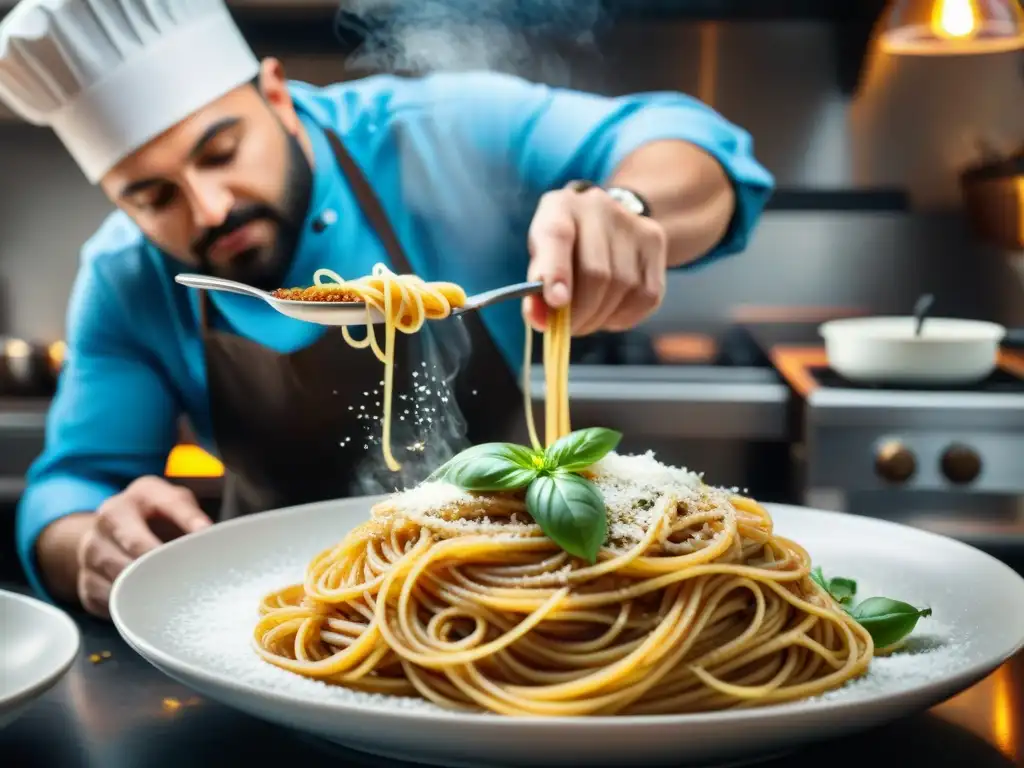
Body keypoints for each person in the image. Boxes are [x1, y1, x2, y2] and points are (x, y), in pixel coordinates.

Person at [0, 0, 774, 619]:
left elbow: (698, 148)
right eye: (153, 196)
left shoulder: (439, 134)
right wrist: (90, 544)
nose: (208, 209)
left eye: (221, 151)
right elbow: (70, 487)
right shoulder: (126, 276)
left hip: (525, 594)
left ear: (276, 95)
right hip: (279, 624)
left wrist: (626, 205)